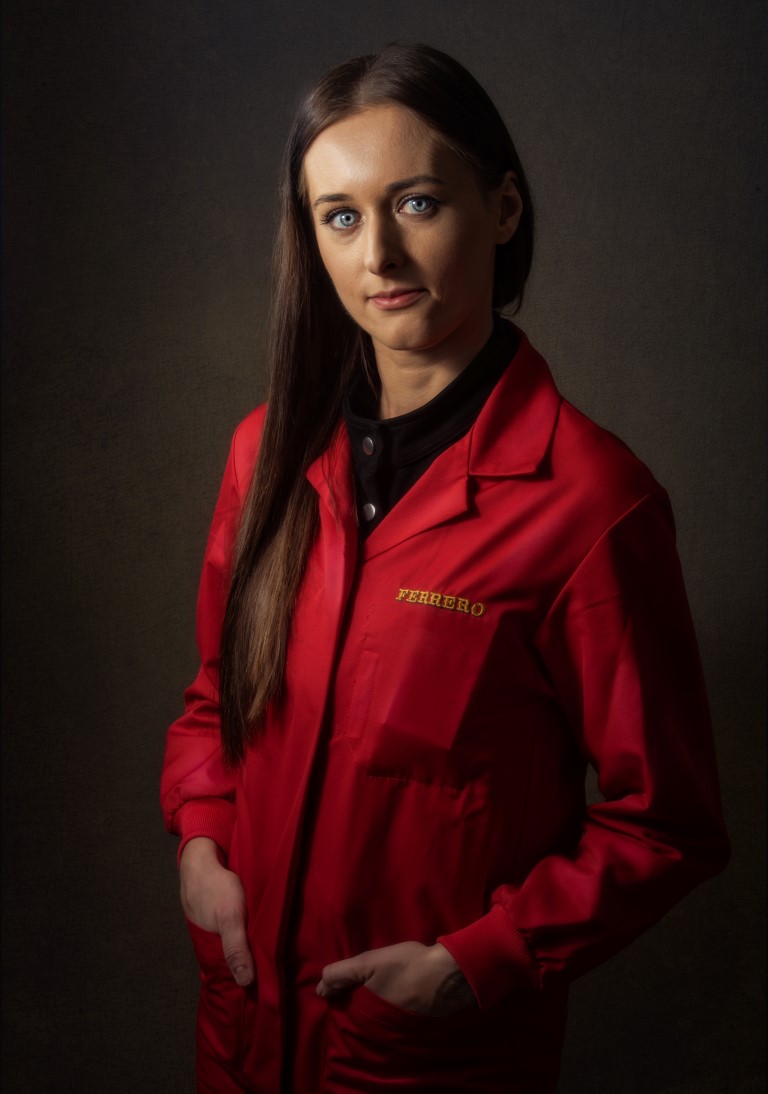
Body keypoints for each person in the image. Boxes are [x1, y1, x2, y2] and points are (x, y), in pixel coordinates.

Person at [161, 42, 729, 1093]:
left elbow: (667, 823)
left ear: (502, 208)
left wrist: (480, 962)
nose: (378, 253)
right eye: (339, 216)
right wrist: (201, 842)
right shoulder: (264, 453)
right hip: (243, 1036)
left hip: (418, 1057)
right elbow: (216, 701)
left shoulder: (592, 505)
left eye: (416, 204)